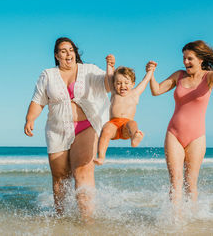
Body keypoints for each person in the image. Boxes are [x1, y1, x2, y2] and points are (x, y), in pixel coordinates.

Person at [146, 40, 213, 206]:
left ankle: (191, 222)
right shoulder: (179, 76)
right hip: (174, 134)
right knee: (175, 183)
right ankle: (174, 222)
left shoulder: (209, 77)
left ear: (200, 60)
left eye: (189, 58)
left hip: (197, 137)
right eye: (184, 58)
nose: (185, 62)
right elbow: (156, 91)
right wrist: (151, 73)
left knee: (190, 184)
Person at [24, 37, 110, 222]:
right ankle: (62, 220)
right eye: (63, 51)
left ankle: (88, 221)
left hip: (86, 126)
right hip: (57, 130)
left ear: (75, 52)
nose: (68, 53)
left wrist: (111, 68)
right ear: (57, 55)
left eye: (71, 49)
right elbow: (39, 100)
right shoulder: (48, 74)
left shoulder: (89, 70)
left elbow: (108, 84)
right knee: (60, 177)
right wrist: (30, 118)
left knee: (82, 172)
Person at [94, 54, 154, 165]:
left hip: (126, 127)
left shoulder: (135, 93)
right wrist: (109, 64)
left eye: (126, 83)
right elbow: (109, 75)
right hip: (114, 125)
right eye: (118, 83)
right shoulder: (113, 92)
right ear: (114, 84)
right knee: (105, 129)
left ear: (132, 84)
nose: (122, 86)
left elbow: (145, 81)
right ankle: (101, 157)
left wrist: (150, 71)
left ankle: (135, 137)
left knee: (132, 123)